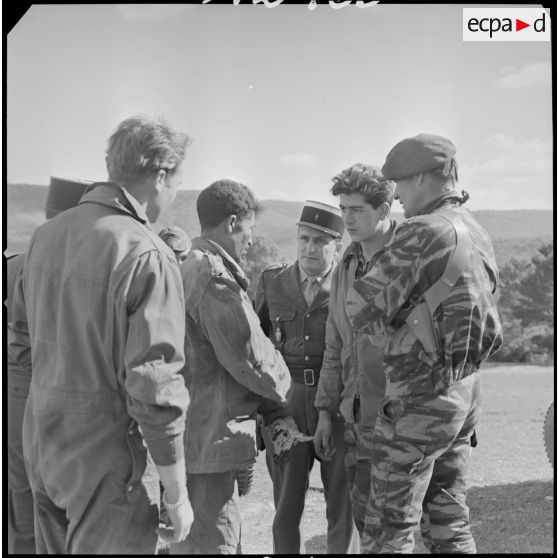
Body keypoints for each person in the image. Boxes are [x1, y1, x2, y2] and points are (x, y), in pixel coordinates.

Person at [8, 115, 194, 554]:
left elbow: (21, 349)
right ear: (161, 175)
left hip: (44, 449)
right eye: (175, 185)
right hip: (107, 462)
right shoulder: (147, 254)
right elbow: (155, 386)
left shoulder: (45, 237)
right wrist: (177, 494)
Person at [345, 133, 503, 553]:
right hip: (463, 392)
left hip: (417, 401)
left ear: (419, 177)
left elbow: (361, 308)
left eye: (398, 182)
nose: (395, 197)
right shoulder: (475, 228)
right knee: (449, 525)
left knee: (387, 533)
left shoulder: (421, 232)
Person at [172, 179, 305, 555]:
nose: (251, 238)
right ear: (231, 223)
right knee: (215, 545)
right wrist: (288, 389)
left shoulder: (188, 265)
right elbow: (250, 358)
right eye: (249, 227)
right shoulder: (213, 275)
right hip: (209, 441)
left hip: (194, 437)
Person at [255, 200, 359, 554]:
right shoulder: (273, 282)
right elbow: (257, 344)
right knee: (286, 506)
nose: (309, 248)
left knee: (342, 505)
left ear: (337, 247)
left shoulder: (350, 287)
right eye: (304, 239)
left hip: (338, 404)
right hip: (285, 406)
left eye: (319, 241)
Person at [6, 176, 91, 554]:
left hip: (17, 394)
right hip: (64, 397)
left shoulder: (16, 264)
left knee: (24, 500)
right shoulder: (83, 270)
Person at [312, 164, 397, 539]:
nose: (347, 218)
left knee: (406, 526)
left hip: (402, 417)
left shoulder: (410, 257)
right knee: (366, 523)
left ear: (384, 209)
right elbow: (335, 342)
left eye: (357, 209)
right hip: (357, 416)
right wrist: (326, 412)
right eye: (344, 208)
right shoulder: (346, 264)